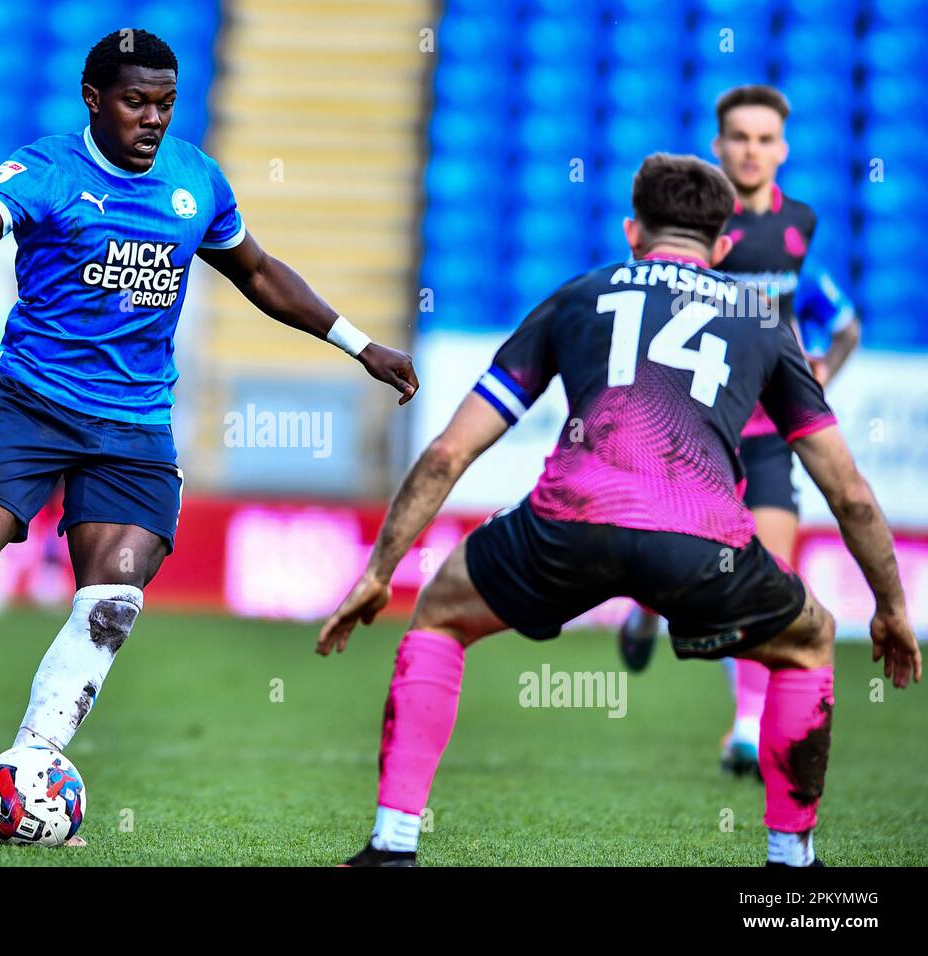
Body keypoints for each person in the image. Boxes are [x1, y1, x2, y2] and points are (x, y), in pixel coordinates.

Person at [0, 29, 418, 839]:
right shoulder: (48, 170)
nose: (153, 119)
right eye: (136, 102)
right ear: (93, 99)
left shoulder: (196, 181)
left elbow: (260, 274)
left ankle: (26, 770)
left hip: (132, 428)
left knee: (110, 606)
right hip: (31, 406)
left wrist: (359, 344)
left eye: (166, 103)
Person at [319, 154, 919, 867]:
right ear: (724, 246)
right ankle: (792, 862)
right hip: (703, 543)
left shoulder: (576, 297)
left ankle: (393, 844)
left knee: (442, 616)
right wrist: (890, 607)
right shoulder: (762, 321)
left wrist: (379, 570)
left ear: (633, 231)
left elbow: (450, 451)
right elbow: (847, 492)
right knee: (808, 642)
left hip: (568, 527)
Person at [616, 86, 862, 780]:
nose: (751, 150)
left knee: (771, 572)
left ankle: (747, 729)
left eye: (764, 139)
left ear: (781, 149)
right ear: (719, 146)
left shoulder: (800, 227)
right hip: (700, 421)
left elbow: (840, 323)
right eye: (739, 138)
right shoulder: (699, 227)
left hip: (767, 427)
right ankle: (644, 610)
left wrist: (817, 371)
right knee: (673, 553)